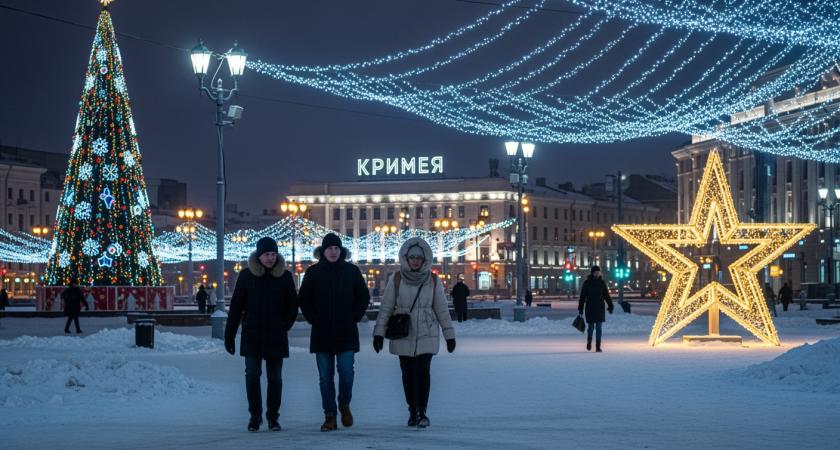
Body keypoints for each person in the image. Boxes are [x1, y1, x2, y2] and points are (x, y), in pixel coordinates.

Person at [373, 238, 456, 428]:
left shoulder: (434, 279)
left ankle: (422, 412)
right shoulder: (397, 278)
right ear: (406, 258)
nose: (416, 261)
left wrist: (449, 335)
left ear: (425, 258)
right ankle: (412, 410)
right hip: (404, 331)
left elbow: (442, 309)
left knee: (422, 370)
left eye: (419, 257)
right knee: (408, 374)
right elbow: (386, 307)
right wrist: (379, 333)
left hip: (427, 330)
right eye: (412, 257)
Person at [224, 237, 299, 432]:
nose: (270, 258)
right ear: (259, 256)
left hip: (276, 335)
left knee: (275, 378)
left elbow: (293, 305)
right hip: (252, 335)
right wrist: (229, 335)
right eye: (267, 254)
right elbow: (236, 307)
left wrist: (284, 325)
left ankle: (273, 417)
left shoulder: (285, 276)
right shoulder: (247, 276)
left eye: (273, 254)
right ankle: (255, 415)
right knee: (252, 375)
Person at [299, 233, 371, 432]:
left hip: (346, 330)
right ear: (323, 251)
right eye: (329, 248)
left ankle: (344, 403)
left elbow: (363, 296)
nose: (333, 251)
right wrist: (313, 317)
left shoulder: (352, 271)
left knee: (346, 372)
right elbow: (303, 298)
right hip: (322, 331)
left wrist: (354, 315)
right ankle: (329, 414)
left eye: (336, 248)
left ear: (341, 251)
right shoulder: (313, 273)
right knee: (325, 376)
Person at [578, 266, 613, 352]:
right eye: (596, 273)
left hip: (600, 308)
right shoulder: (587, 283)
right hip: (590, 307)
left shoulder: (602, 283)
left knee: (599, 327)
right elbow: (582, 297)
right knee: (591, 327)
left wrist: (610, 305)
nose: (597, 275)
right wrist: (580, 308)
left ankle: (598, 346)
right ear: (592, 273)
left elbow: (606, 296)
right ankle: (589, 342)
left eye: (599, 273)